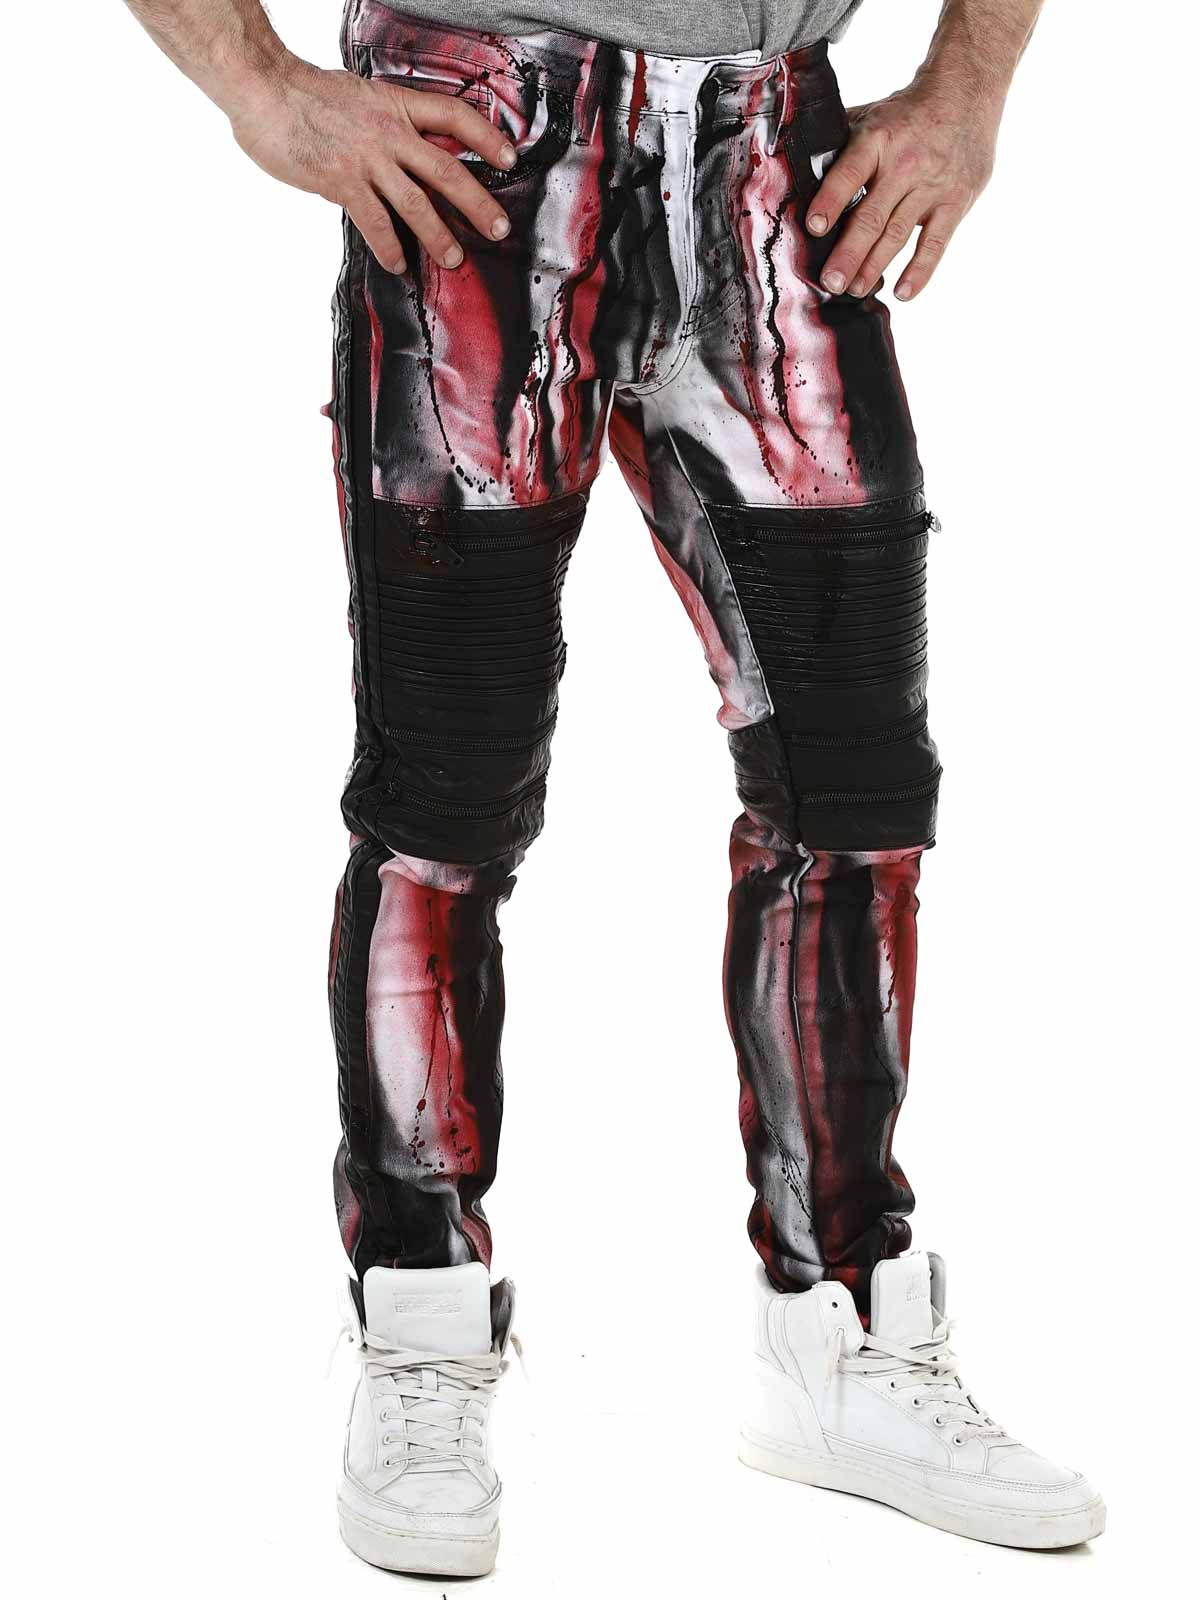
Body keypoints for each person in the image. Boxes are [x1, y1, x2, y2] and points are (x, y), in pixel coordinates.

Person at [124, 0, 1105, 1576]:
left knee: (856, 787)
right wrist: (258, 85)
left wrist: (969, 84)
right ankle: (422, 1328)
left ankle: (842, 1335)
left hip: (782, 154)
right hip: (482, 140)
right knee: (447, 796)